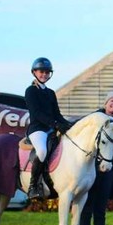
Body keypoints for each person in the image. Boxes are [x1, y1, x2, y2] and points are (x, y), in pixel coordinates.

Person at [79, 91, 113, 225]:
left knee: (100, 212)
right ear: (106, 103)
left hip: (108, 172)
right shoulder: (94, 119)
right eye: (112, 101)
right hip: (90, 170)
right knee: (86, 209)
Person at [24, 57, 72, 199]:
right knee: (42, 150)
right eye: (41, 72)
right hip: (37, 129)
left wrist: (68, 124)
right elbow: (37, 114)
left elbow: (57, 114)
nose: (44, 74)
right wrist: (56, 124)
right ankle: (33, 186)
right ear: (34, 72)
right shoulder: (31, 91)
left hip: (51, 129)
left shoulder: (51, 93)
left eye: (47, 72)